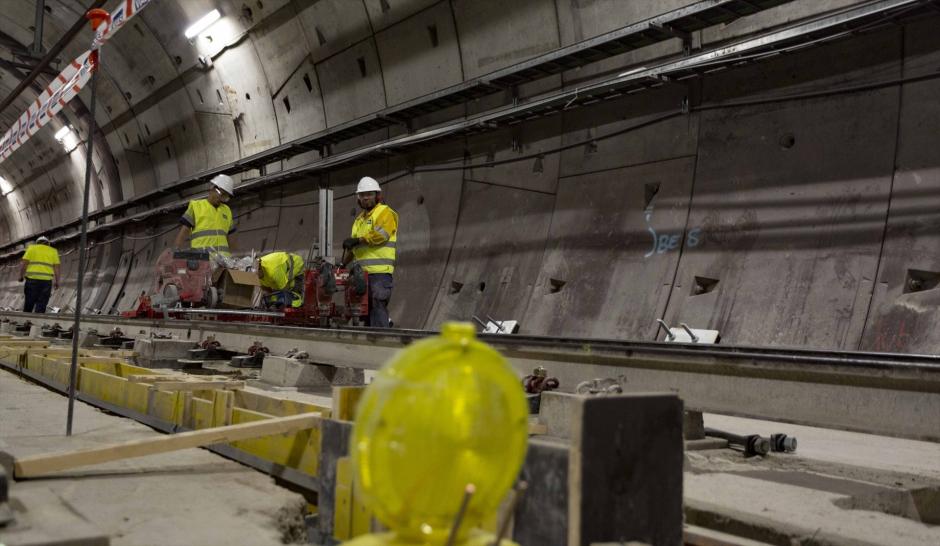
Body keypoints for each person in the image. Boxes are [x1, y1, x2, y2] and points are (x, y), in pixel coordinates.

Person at [341, 176, 398, 328]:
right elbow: (355, 248)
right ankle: (369, 343)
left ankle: (380, 342)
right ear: (358, 198)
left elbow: (381, 235)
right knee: (365, 310)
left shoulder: (384, 212)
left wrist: (358, 240)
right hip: (361, 274)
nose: (366, 198)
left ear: (377, 196)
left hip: (379, 273)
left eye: (369, 194)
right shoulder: (359, 220)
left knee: (378, 304)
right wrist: (342, 264)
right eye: (362, 195)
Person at [174, 174, 237, 261]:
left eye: (225, 197)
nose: (222, 199)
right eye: (221, 194)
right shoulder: (196, 206)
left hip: (223, 263)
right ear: (212, 188)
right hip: (202, 262)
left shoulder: (227, 210)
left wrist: (235, 258)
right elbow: (183, 233)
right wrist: (175, 254)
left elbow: (231, 237)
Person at [19, 236, 60, 313]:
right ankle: (37, 322)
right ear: (48, 244)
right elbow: (57, 268)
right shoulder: (53, 251)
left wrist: (21, 276)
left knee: (29, 302)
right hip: (46, 282)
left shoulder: (31, 248)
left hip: (32, 280)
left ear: (37, 242)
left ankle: (25, 321)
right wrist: (57, 281)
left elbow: (24, 264)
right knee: (42, 304)